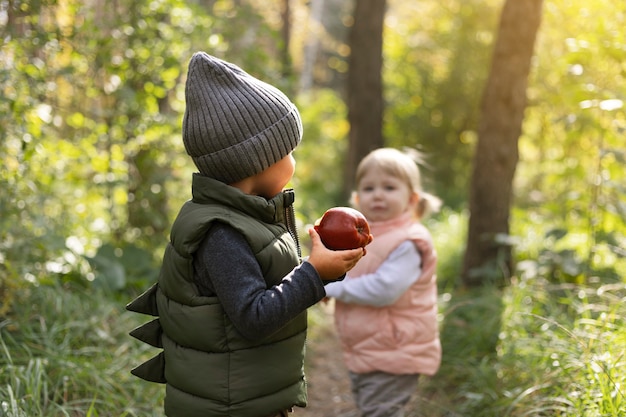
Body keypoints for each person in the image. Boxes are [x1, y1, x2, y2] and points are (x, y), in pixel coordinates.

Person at [126, 52, 365, 417]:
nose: (294, 159)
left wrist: (327, 267)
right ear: (257, 161)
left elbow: (272, 285)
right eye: (288, 150)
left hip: (248, 395)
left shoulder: (249, 215)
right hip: (232, 407)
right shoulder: (222, 234)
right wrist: (314, 274)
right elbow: (255, 316)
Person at [324, 147, 442, 417]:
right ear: (356, 197)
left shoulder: (409, 241)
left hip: (395, 351)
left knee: (380, 411)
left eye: (389, 187)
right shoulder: (362, 238)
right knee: (372, 409)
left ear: (411, 198)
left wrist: (331, 287)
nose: (377, 194)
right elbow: (352, 275)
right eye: (368, 188)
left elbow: (384, 290)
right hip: (368, 348)